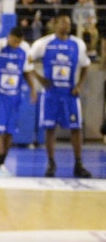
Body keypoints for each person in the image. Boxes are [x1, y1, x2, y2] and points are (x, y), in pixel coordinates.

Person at [30, 14, 92, 178]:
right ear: (54, 24)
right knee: (49, 129)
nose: (67, 25)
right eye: (63, 23)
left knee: (76, 128)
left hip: (70, 94)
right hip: (50, 94)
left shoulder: (77, 44)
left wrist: (79, 85)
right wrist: (39, 78)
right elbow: (26, 61)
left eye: (69, 23)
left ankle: (78, 164)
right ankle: (51, 164)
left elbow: (86, 65)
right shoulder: (43, 44)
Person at [0, 26, 37, 177]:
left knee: (10, 132)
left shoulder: (24, 50)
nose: (16, 44)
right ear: (9, 36)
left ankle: (3, 162)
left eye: (19, 42)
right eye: (14, 41)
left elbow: (26, 71)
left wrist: (33, 89)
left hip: (14, 97)